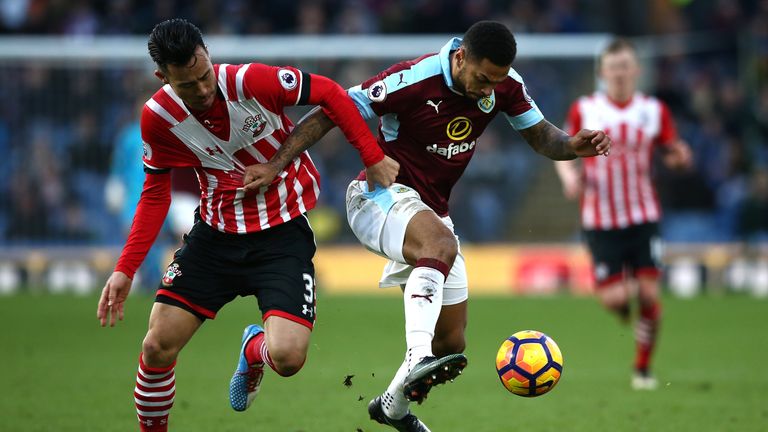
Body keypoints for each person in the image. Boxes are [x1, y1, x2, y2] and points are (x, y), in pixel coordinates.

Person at [242, 21, 611, 431]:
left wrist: (572, 146)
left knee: (451, 343)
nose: (488, 90)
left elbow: (541, 136)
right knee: (439, 247)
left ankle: (392, 407)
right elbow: (335, 110)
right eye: (482, 79)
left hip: (431, 211)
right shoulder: (413, 79)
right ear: (460, 57)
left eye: (496, 82)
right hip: (376, 198)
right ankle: (418, 356)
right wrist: (276, 163)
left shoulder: (505, 84)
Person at [96, 18, 399, 432]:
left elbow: (329, 92)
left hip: (282, 233)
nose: (202, 89)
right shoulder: (158, 118)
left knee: (289, 358)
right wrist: (125, 268)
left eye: (204, 74)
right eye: (187, 84)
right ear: (162, 77)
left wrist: (371, 154)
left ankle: (254, 350)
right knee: (157, 346)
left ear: (208, 56)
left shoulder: (251, 82)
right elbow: (154, 194)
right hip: (214, 239)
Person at [554, 38, 692, 390]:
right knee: (616, 298)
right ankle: (628, 310)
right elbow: (563, 151)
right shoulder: (585, 109)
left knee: (648, 294)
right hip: (600, 219)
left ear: (636, 70)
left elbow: (672, 150)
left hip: (643, 214)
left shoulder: (652, 110)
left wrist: (680, 158)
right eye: (612, 67)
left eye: (625, 66)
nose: (619, 73)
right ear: (602, 72)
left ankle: (643, 368)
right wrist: (571, 178)